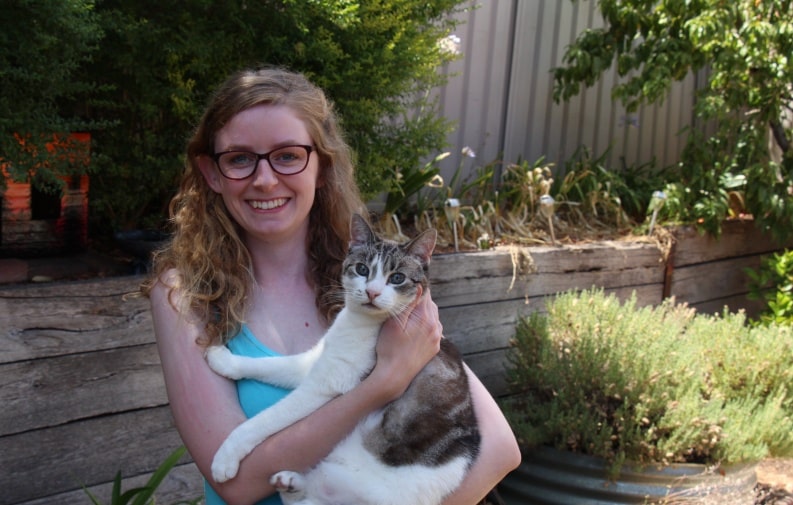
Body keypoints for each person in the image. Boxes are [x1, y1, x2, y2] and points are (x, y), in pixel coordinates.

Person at [143, 67, 520, 505]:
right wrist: (385, 382)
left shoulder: (372, 280)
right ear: (212, 173)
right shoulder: (183, 293)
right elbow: (238, 483)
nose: (265, 179)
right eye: (240, 158)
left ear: (321, 167)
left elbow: (499, 451)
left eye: (287, 155)